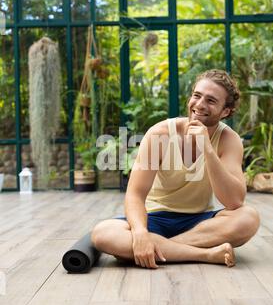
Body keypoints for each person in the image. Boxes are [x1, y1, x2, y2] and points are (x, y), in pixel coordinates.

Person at [92, 69, 260, 269]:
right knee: (103, 233)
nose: (199, 105)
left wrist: (207, 149)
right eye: (197, 96)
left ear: (226, 111)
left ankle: (149, 250)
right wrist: (139, 233)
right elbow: (135, 194)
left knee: (248, 218)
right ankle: (205, 254)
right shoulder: (160, 133)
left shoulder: (229, 140)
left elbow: (234, 201)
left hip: (199, 223)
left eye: (211, 101)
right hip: (155, 218)